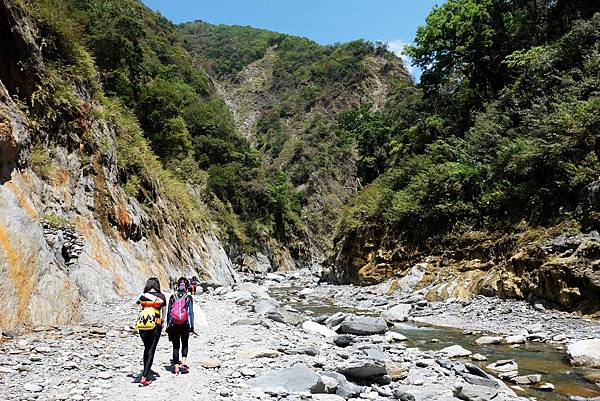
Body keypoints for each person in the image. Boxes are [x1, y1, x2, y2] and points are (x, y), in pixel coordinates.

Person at [137, 277, 166, 386]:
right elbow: (164, 312)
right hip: (155, 325)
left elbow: (136, 305)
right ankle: (144, 377)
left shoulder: (142, 296)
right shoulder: (162, 297)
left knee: (146, 348)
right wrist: (162, 323)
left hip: (142, 326)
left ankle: (146, 370)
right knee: (151, 350)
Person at [166, 277, 195, 375]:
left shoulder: (172, 296)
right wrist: (192, 326)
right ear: (187, 286)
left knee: (175, 346)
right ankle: (183, 363)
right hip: (184, 324)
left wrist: (168, 325)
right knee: (185, 343)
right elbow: (190, 312)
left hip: (174, 324)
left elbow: (169, 313)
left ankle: (176, 367)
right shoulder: (188, 297)